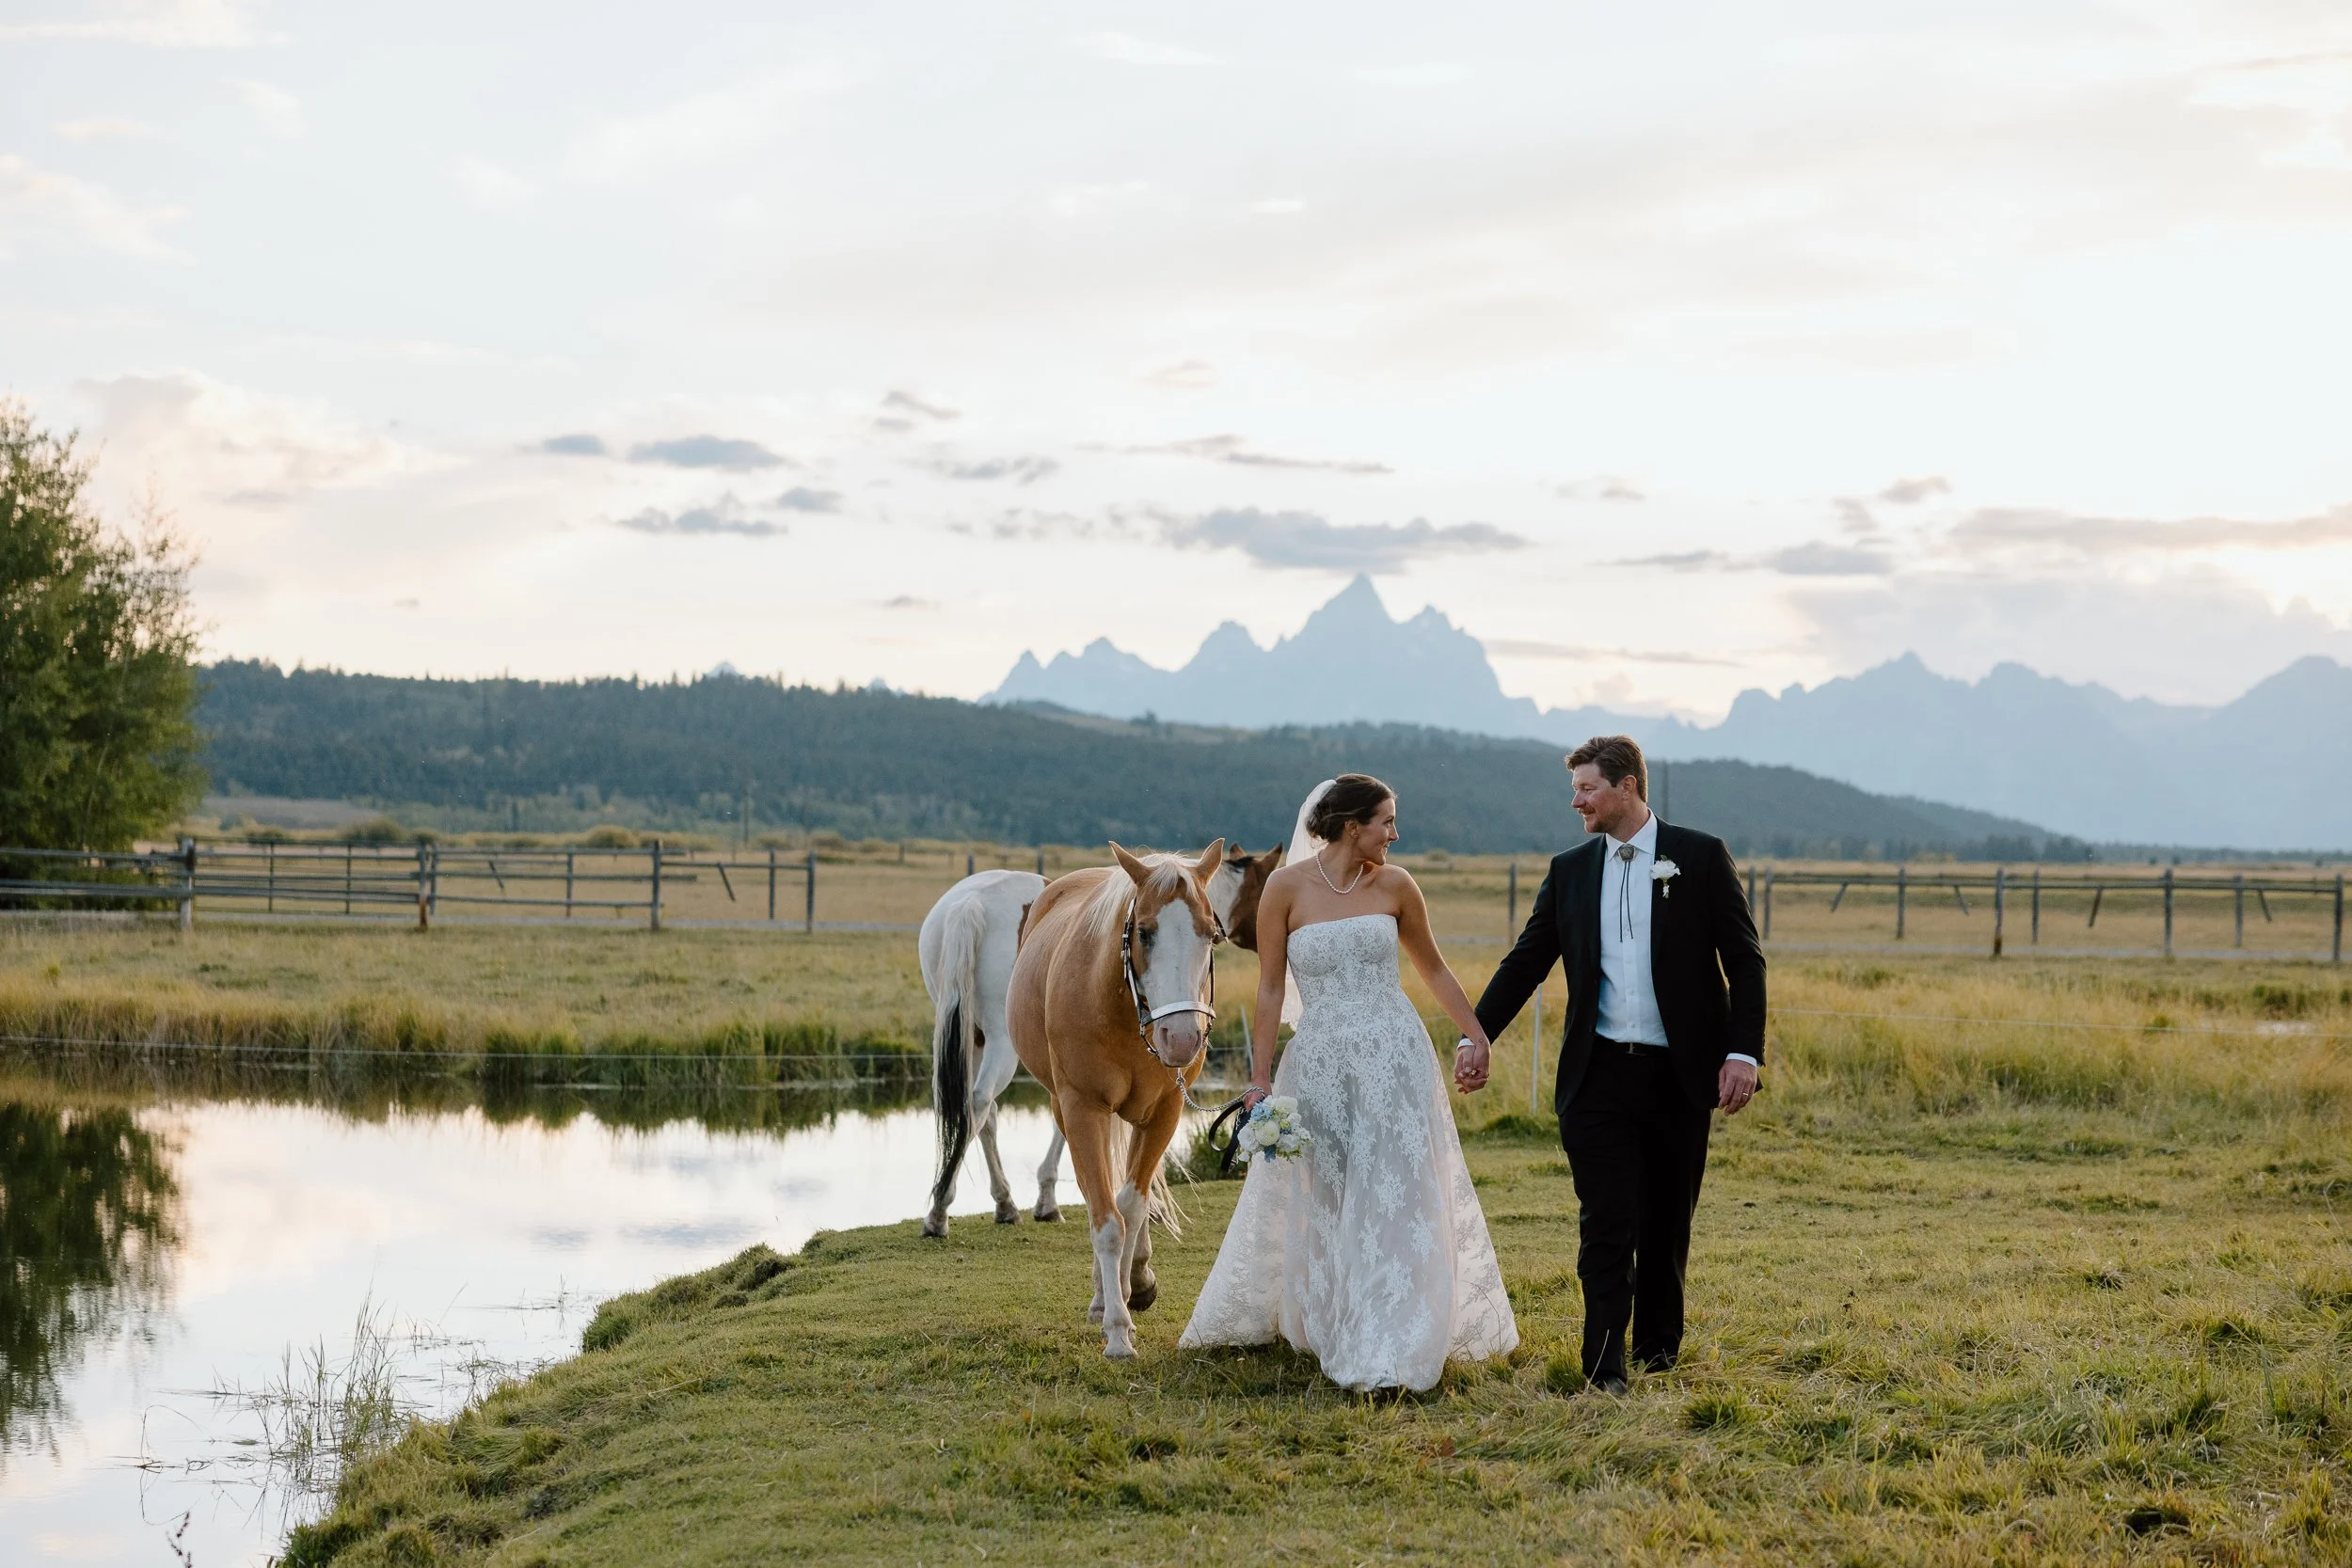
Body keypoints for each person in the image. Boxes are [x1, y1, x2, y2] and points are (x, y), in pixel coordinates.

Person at [1178, 774, 1519, 1391]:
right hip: (1321, 1066)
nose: (1395, 834)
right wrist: (1259, 1078)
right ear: (1351, 825)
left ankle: (1399, 1330)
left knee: (1398, 1190)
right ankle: (1338, 1314)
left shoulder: (1396, 885)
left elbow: (1434, 969)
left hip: (1395, 1057)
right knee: (1331, 1193)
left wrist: (1477, 1034)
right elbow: (1270, 988)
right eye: (1386, 821)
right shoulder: (1284, 889)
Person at [1469, 736, 1764, 1393]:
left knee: (1666, 1221)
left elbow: (1745, 962)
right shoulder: (1570, 870)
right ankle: (1604, 1368)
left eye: (1587, 788)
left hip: (1680, 1075)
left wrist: (1742, 1052)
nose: (1576, 801)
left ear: (1627, 786)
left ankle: (1658, 1352)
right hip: (1597, 1074)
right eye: (1575, 789)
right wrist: (1476, 1034)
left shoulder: (1699, 856)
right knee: (1605, 1222)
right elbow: (1526, 962)